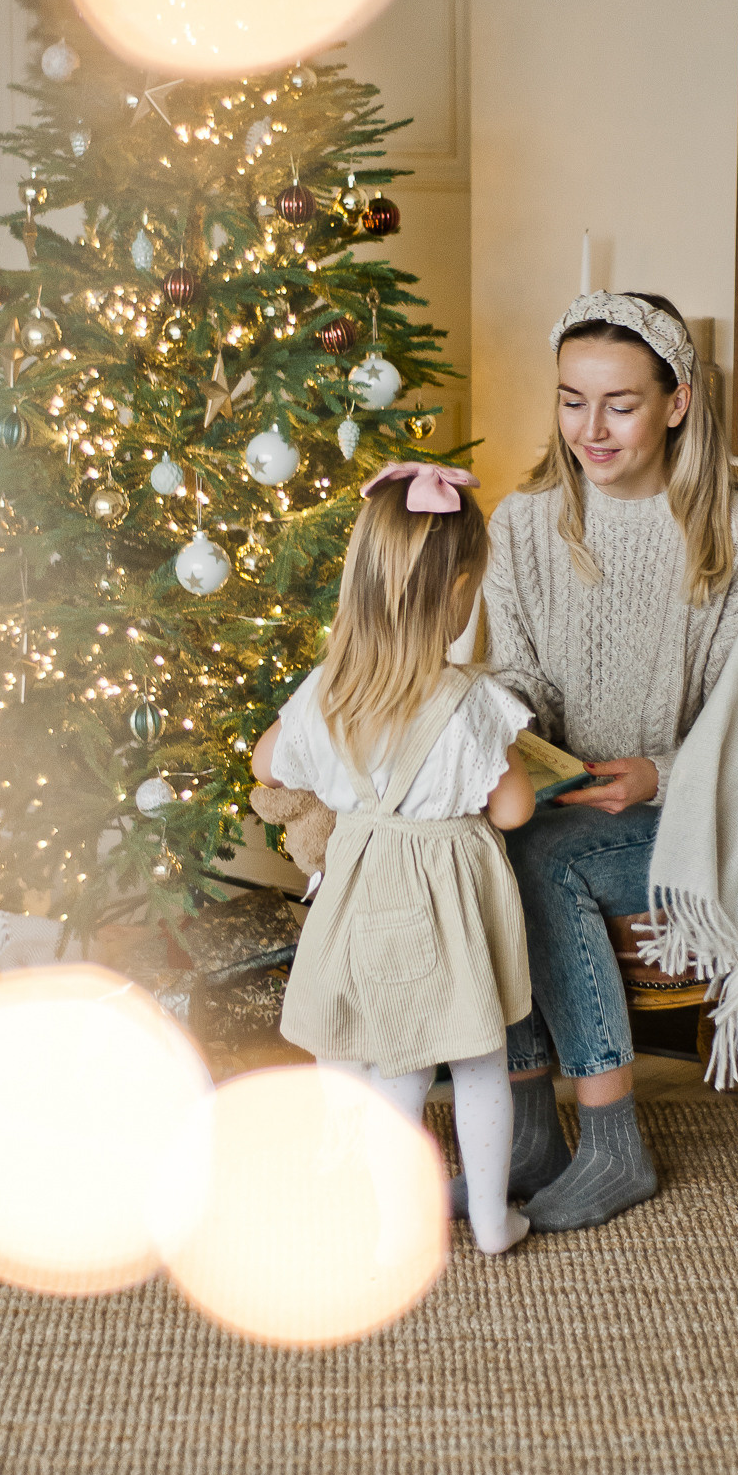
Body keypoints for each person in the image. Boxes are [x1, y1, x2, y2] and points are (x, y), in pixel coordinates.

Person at [477, 291, 738, 1235]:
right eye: (573, 400)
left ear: (678, 403)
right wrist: (519, 745)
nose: (592, 429)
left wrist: (659, 772)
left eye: (620, 403)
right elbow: (512, 672)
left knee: (539, 856)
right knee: (483, 843)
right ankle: (529, 1131)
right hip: (564, 795)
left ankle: (611, 1143)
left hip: (696, 813)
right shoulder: (524, 524)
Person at [252, 460, 538, 1255]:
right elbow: (511, 808)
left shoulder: (325, 695)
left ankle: (384, 1220)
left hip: (359, 897)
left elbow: (265, 766)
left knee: (378, 1055)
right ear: (458, 594)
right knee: (477, 1058)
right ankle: (488, 1219)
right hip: (446, 905)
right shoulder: (471, 701)